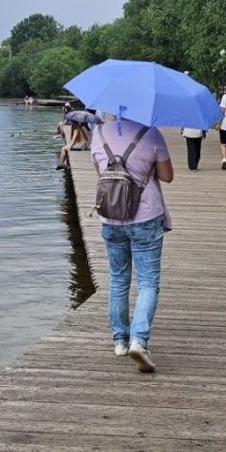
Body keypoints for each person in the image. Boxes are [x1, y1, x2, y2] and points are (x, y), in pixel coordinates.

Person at [90, 116, 174, 373]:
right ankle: (139, 339)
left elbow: (102, 173)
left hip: (111, 217)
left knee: (118, 278)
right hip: (146, 216)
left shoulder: (99, 132)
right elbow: (167, 176)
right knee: (148, 282)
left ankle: (119, 340)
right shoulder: (151, 133)